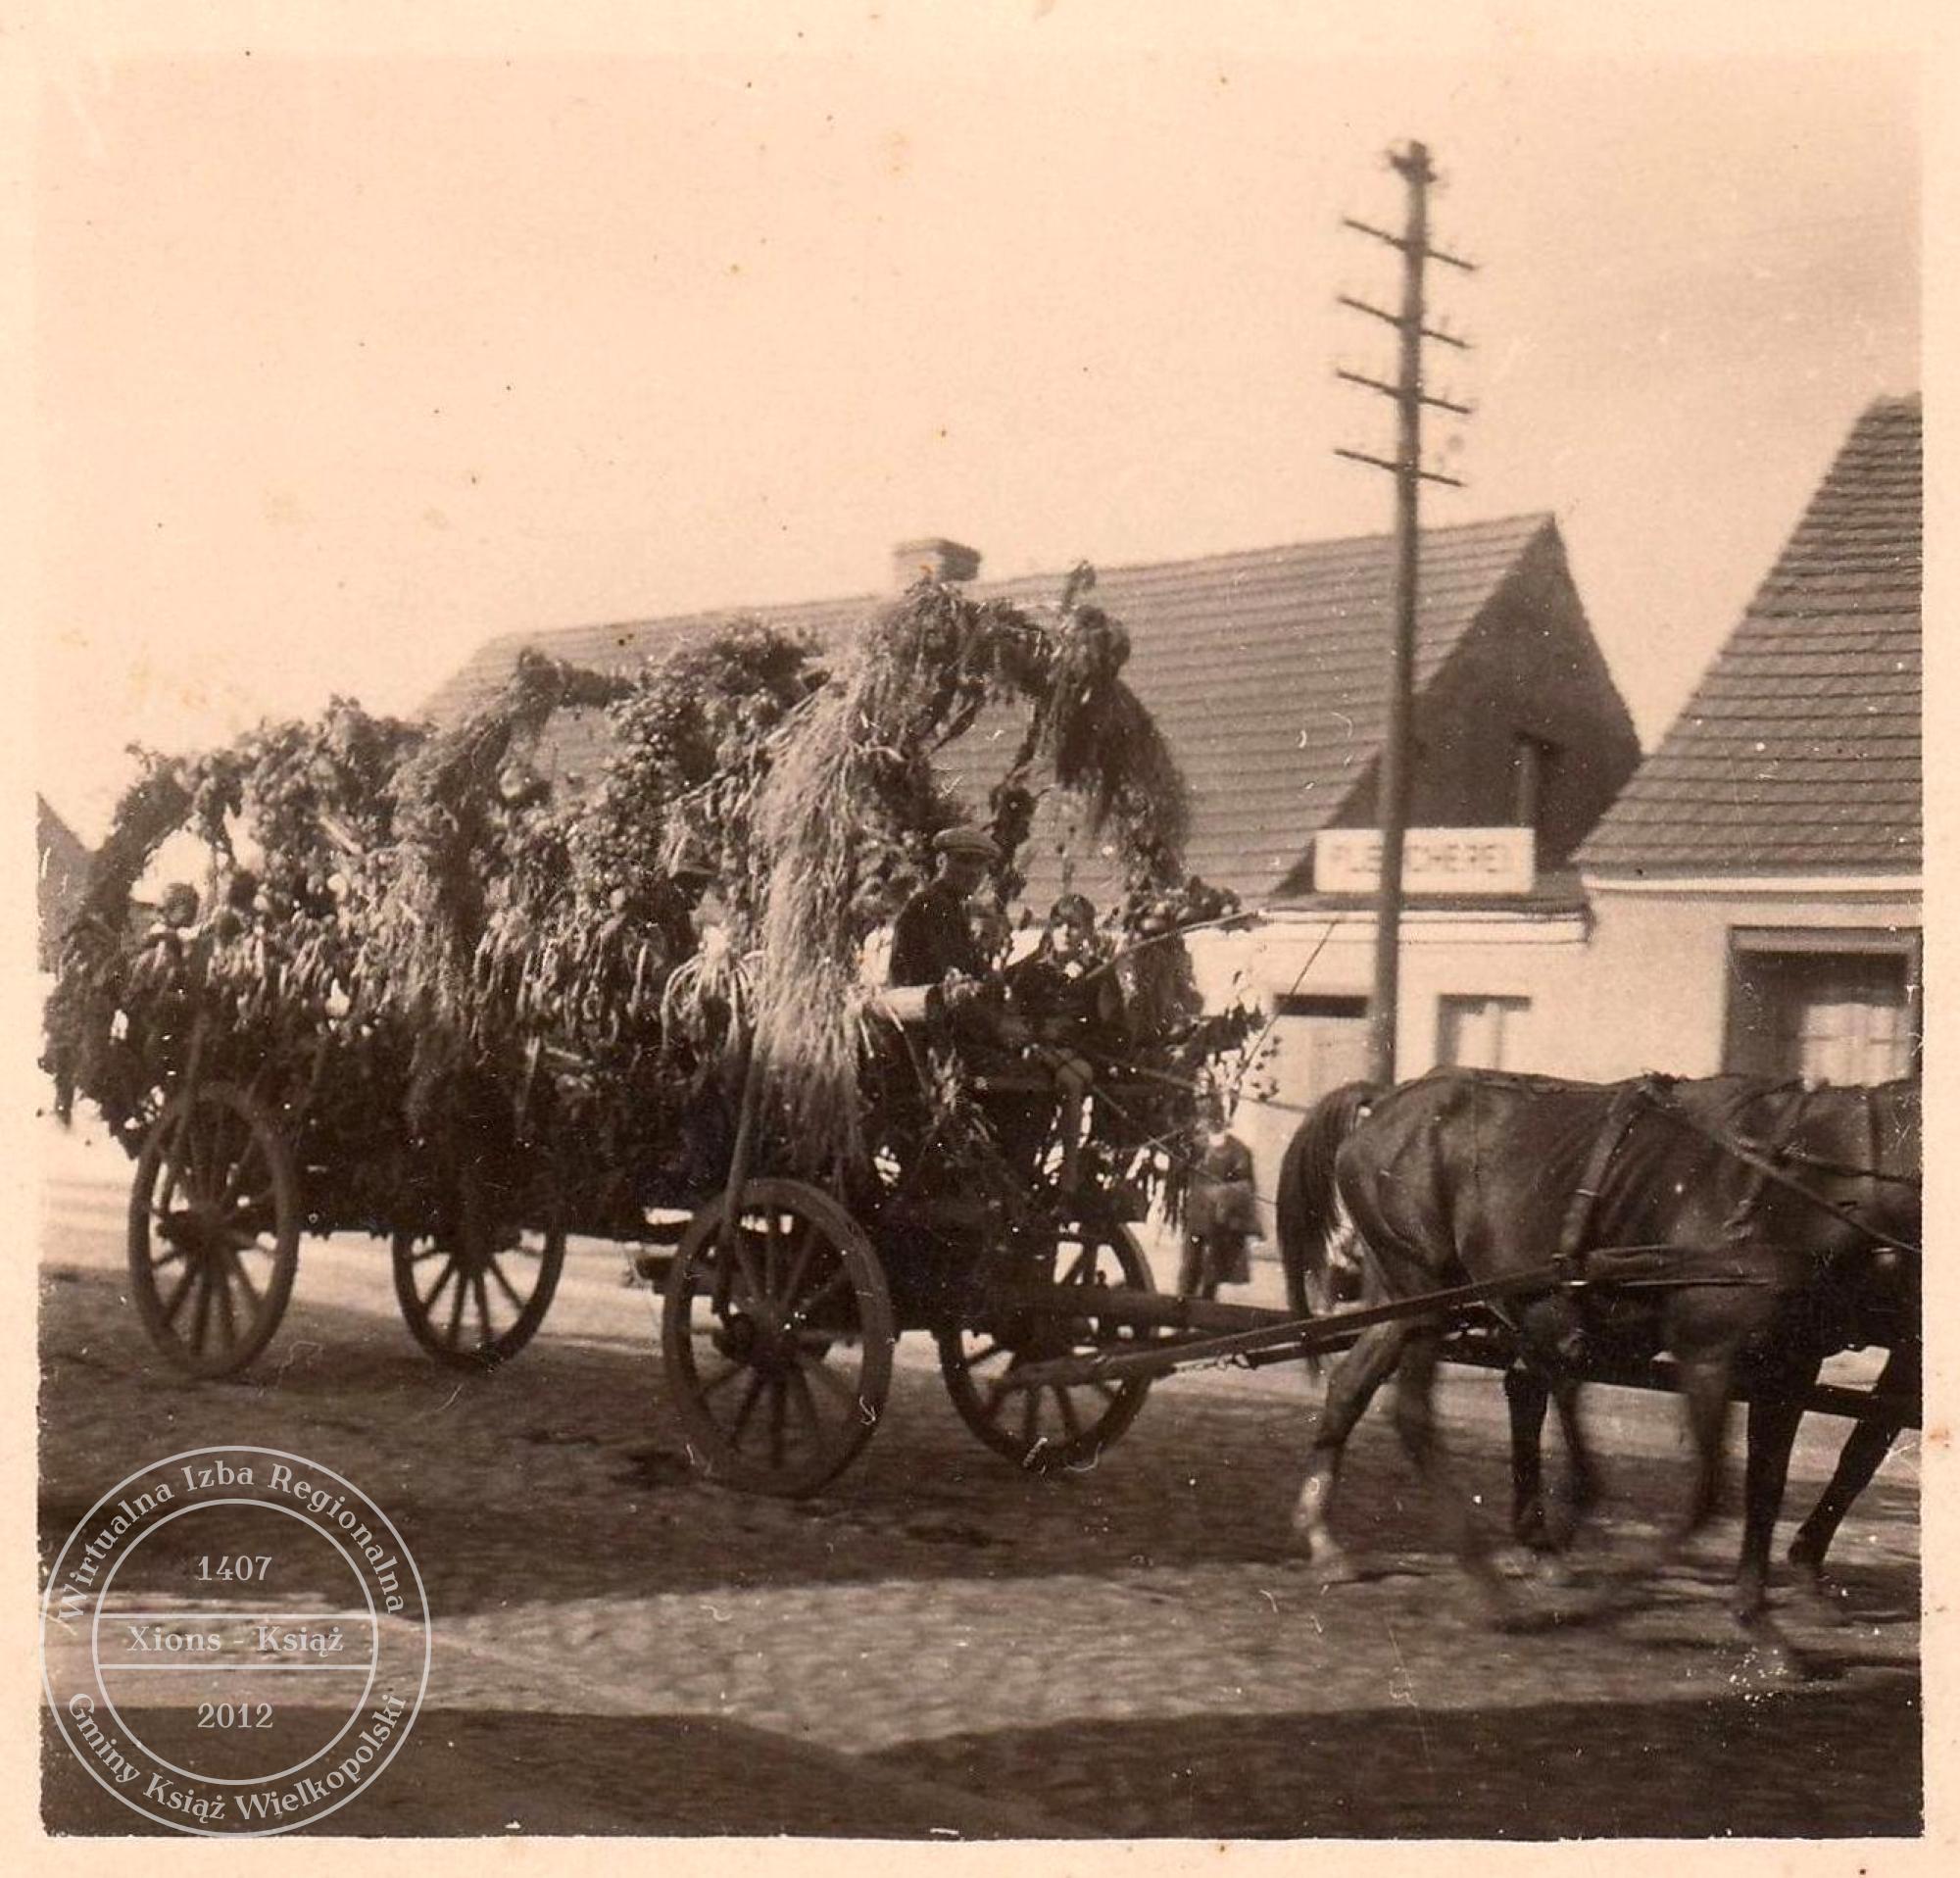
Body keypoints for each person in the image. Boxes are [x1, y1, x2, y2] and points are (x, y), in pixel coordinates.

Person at [1006, 894, 1125, 1195]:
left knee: (1072, 1079)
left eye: (1075, 926)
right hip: (1035, 1052)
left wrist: (1075, 1040)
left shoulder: (1098, 973)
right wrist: (1035, 1031)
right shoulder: (1031, 969)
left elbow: (1115, 1030)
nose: (1065, 932)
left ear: (1088, 931)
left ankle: (1069, 1174)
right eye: (1059, 924)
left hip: (1077, 1056)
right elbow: (1011, 1007)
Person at [888, 825, 1000, 991]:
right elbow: (951, 968)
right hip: (922, 1001)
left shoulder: (952, 905)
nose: (973, 871)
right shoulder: (932, 904)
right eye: (964, 860)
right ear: (941, 861)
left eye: (981, 863)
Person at [1179, 1107, 1259, 1300]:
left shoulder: (1238, 1150)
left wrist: (1224, 1196)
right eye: (1210, 1118)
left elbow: (1246, 1184)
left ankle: (1204, 1304)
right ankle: (1184, 1300)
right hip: (1198, 1214)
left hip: (1219, 1218)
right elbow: (1182, 1174)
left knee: (1212, 1268)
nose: (1213, 1122)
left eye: (1216, 1118)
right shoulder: (1196, 1147)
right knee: (1191, 1264)